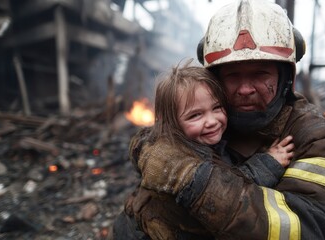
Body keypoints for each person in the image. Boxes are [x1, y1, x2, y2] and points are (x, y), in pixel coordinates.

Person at [111, 0, 325, 239]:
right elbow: (160, 133)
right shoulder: (214, 120)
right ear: (214, 79)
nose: (245, 89)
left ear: (285, 77)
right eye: (233, 75)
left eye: (260, 73)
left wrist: (198, 183)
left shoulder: (317, 138)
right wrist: (146, 148)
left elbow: (322, 227)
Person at [125, 60, 295, 239]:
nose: (212, 120)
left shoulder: (201, 142)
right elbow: (229, 194)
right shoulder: (181, 159)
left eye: (217, 107)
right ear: (170, 123)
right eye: (195, 115)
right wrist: (268, 164)